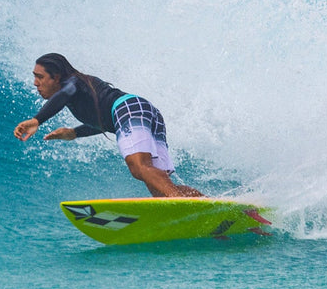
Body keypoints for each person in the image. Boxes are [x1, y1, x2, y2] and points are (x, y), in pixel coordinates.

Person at [13, 53, 203, 198]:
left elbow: (65, 94)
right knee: (158, 185)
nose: (35, 83)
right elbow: (106, 120)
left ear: (56, 77)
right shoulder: (79, 90)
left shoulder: (72, 83)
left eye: (40, 77)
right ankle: (210, 209)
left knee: (139, 167)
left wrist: (37, 120)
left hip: (129, 107)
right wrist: (74, 133)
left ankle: (189, 208)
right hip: (144, 111)